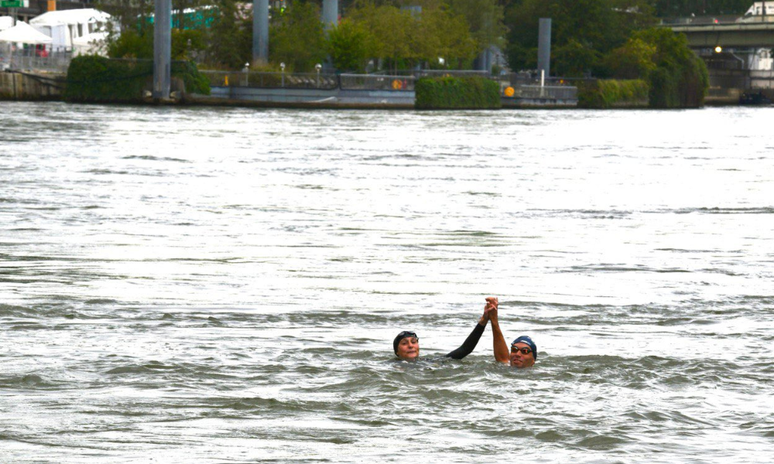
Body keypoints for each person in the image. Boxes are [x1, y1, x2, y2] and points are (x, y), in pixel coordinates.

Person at [393, 302, 490, 361]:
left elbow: (465, 349)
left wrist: (483, 321)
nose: (411, 346)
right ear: (397, 352)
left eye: (413, 342)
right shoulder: (391, 366)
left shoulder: (429, 362)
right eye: (404, 343)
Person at [486, 297, 538, 368]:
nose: (518, 354)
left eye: (525, 351)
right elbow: (503, 359)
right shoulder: (505, 369)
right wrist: (493, 318)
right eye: (514, 349)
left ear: (533, 361)